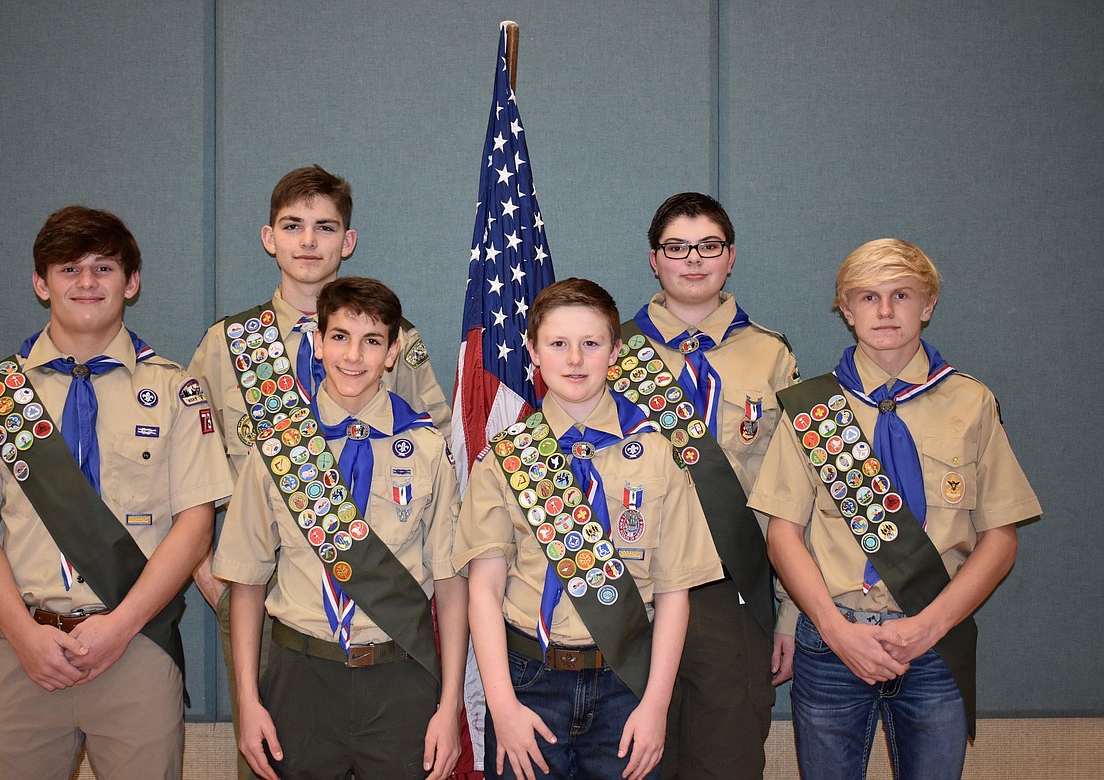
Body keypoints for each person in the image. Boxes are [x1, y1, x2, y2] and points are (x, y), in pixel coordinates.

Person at [0, 205, 233, 779]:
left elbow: (195, 524)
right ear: (41, 284)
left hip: (137, 646)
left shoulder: (177, 390)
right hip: (24, 650)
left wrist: (118, 629)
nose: (88, 282)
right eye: (69, 269)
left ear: (132, 281)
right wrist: (24, 635)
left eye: (104, 267)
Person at [186, 164, 453, 778]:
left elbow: (434, 450)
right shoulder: (230, 343)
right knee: (274, 752)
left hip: (382, 594)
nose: (308, 241)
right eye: (293, 226)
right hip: (267, 591)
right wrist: (208, 573)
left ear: (347, 242)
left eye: (325, 227)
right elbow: (190, 471)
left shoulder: (398, 339)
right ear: (268, 237)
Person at [748, 238, 1042, 779]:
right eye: (867, 297)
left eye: (901, 295)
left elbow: (1001, 538)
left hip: (934, 637)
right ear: (844, 307)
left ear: (927, 305)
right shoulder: (812, 407)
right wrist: (836, 630)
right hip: (832, 641)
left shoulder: (971, 402)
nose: (884, 312)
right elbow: (782, 535)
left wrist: (930, 626)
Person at [455, 278, 723, 780]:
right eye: (558, 344)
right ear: (533, 351)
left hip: (627, 678)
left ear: (615, 352)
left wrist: (655, 706)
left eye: (591, 343)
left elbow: (674, 592)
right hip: (527, 678)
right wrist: (503, 707)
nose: (575, 359)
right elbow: (484, 590)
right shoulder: (506, 458)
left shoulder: (660, 454)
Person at [612, 192, 801, 779]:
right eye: (676, 248)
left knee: (728, 760)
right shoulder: (609, 350)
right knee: (633, 762)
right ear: (654, 259)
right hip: (632, 592)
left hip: (733, 592)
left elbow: (792, 494)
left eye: (708, 247)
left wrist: (790, 612)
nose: (693, 261)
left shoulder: (769, 354)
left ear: (731, 255)